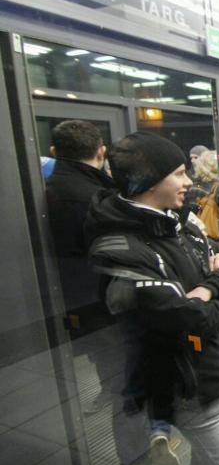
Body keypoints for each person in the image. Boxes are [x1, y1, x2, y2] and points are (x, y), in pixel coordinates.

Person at [85, 132, 219, 465]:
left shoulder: (176, 221)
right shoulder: (119, 247)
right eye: (179, 173)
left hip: (211, 370)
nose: (188, 181)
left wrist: (210, 286)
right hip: (185, 385)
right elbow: (184, 318)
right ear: (149, 181)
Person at [45, 120, 117, 414]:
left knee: (103, 357)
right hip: (106, 297)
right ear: (101, 152)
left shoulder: (42, 191)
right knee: (123, 365)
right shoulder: (100, 198)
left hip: (70, 298)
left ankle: (108, 390)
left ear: (53, 151)